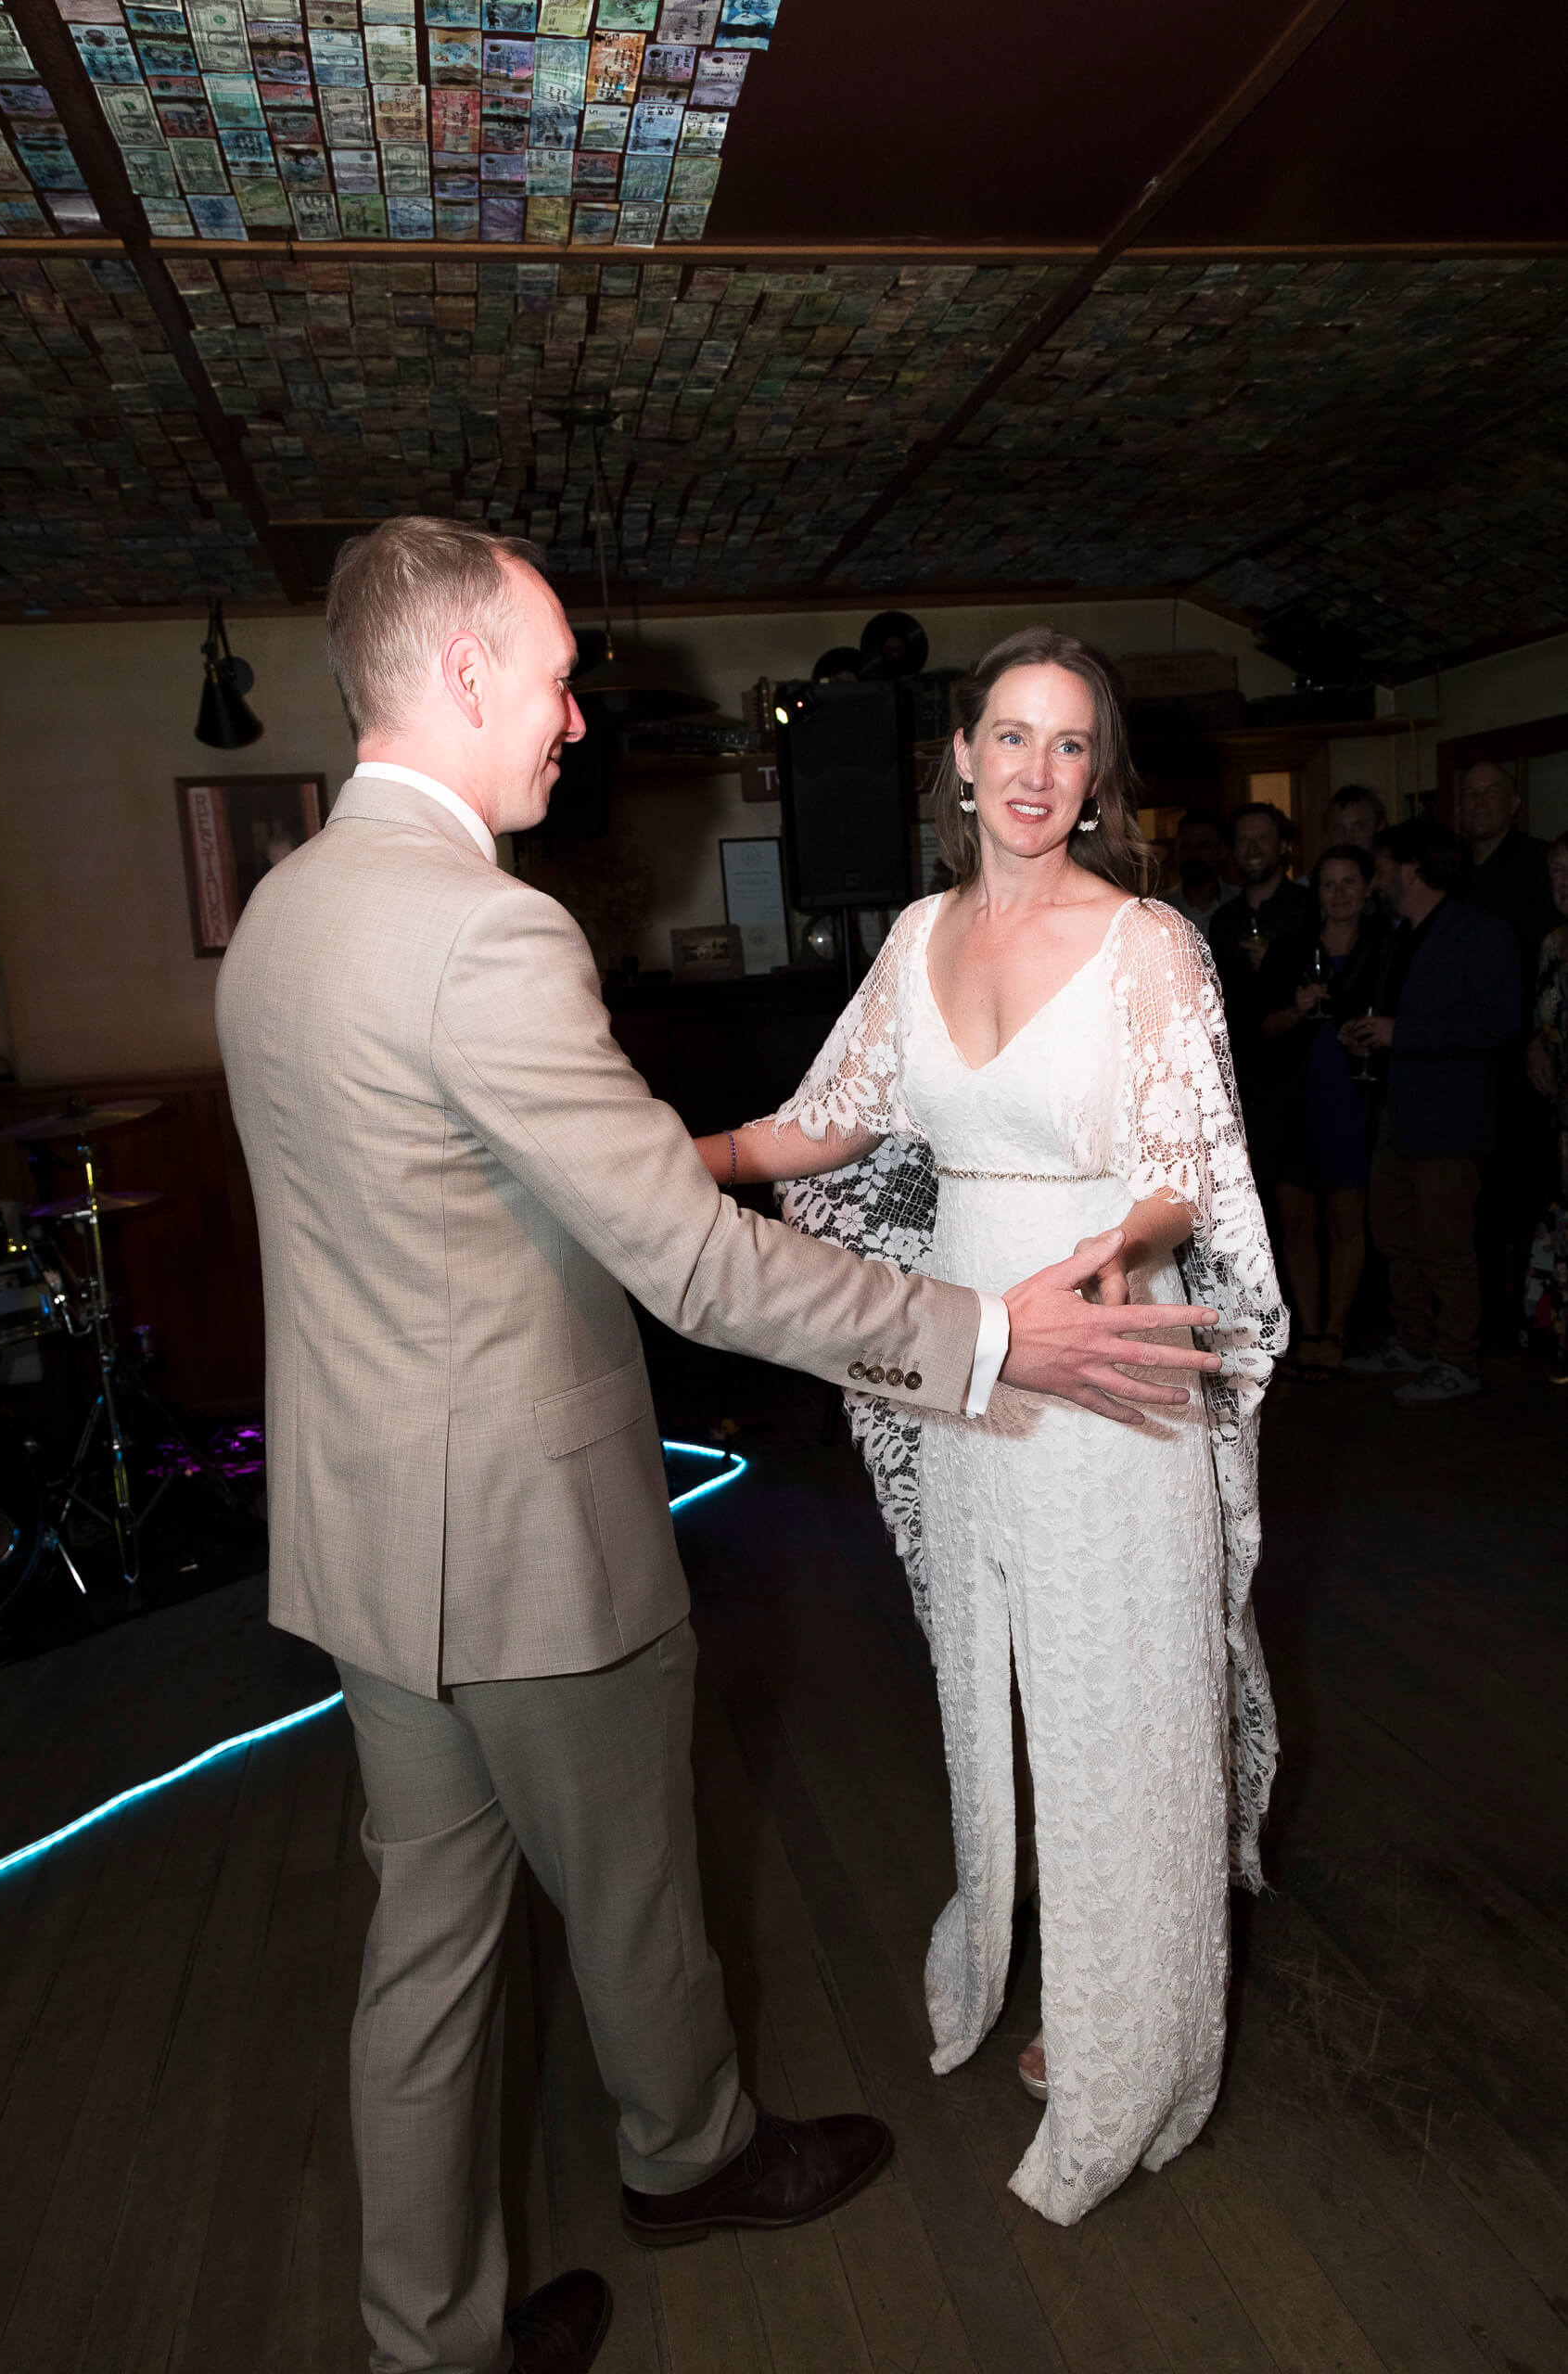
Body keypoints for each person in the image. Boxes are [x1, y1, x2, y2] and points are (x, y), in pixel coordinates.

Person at [214, 526, 1222, 2374]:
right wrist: (987, 1333)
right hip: (525, 1538)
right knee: (634, 1889)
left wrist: (677, 1167)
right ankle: (689, 2156)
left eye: (1066, 741)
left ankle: (426, 2344)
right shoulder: (484, 926)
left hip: (359, 1541)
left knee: (423, 1954)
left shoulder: (283, 908)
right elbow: (688, 1259)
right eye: (551, 678)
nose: (573, 718)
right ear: (461, 675)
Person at [692, 627, 1284, 2227]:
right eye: (1009, 737)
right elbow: (823, 1124)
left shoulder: (1150, 945)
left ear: (1097, 778)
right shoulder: (914, 938)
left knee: (1120, 1704)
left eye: (1067, 744)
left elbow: (1188, 1173)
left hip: (1100, 1362)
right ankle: (1016, 1952)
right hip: (966, 1362)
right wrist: (677, 1161)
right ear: (957, 760)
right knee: (986, 1676)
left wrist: (1107, 1265)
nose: (1035, 770)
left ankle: (1126, 2037)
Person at [1340, 818, 1518, 1406]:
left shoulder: (1480, 932)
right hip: (1398, 1111)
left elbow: (1500, 1023)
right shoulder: (1399, 935)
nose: (1375, 878)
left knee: (1446, 1245)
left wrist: (1402, 1033)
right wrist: (1370, 1036)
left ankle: (1457, 1360)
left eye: (1382, 865)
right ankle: (1413, 1342)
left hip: (1451, 1121)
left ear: (1411, 867)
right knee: (1395, 1236)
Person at [1258, 845, 1390, 1378]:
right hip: (1295, 1098)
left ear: (1368, 887)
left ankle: (1335, 1332)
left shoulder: (1386, 946)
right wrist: (1298, 1010)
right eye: (1328, 884)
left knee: (1345, 1223)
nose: (1338, 893)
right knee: (1296, 1226)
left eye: (1348, 882)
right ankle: (1309, 1331)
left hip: (1353, 1097)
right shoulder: (1291, 947)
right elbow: (1259, 1028)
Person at [1458, 756, 1559, 1337]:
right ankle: (1482, 1319)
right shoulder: (1453, 869)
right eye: (1470, 793)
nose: (1480, 802)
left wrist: (1538, 1039)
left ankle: (1525, 1316)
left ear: (1515, 803)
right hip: (1467, 1062)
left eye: (1491, 791)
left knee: (1524, 1185)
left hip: (1529, 1054)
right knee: (1473, 1196)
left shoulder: (1540, 865)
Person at [1207, 802, 1314, 1127]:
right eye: (1243, 840)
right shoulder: (1224, 919)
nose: (1252, 848)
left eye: (1263, 838)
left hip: (1303, 1074)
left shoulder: (1310, 908)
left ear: (1283, 845)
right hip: (1241, 1079)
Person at [1523, 830, 1568, 1382]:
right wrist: (1536, 1042)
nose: (1566, 882)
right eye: (1558, 870)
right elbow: (1544, 1019)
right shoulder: (1553, 944)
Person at [1158, 807, 1238, 939]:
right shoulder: (1160, 908)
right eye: (1186, 846)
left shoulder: (1240, 904)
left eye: (1203, 846)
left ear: (1222, 851)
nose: (1193, 854)